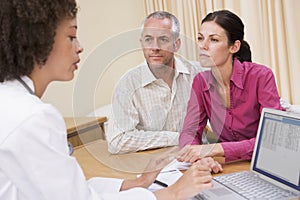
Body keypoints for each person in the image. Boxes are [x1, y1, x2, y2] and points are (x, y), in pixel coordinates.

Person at [0, 1, 219, 199]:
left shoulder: (14, 104)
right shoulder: (33, 118)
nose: (80, 47)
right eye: (71, 36)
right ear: (40, 41)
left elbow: (72, 190)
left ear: (176, 44)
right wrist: (172, 193)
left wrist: (139, 182)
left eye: (163, 39)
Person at [178, 10, 283, 163]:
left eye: (213, 40)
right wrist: (198, 158)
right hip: (233, 165)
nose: (203, 46)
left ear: (234, 47)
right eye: (200, 38)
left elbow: (272, 140)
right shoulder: (200, 82)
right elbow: (189, 132)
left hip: (269, 163)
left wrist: (215, 149)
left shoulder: (261, 76)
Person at [106, 11, 206, 154]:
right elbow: (118, 140)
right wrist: (178, 138)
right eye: (148, 39)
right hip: (151, 166)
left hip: (199, 159)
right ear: (141, 43)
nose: (155, 47)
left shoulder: (199, 74)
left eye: (163, 39)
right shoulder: (128, 84)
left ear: (176, 44)